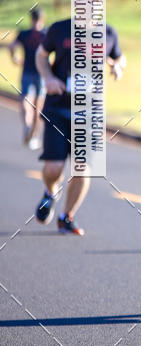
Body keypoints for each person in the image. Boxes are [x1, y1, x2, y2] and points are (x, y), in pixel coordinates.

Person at [34, 15, 126, 235]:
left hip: (90, 113)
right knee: (54, 168)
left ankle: (67, 217)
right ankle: (50, 192)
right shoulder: (59, 28)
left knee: (82, 169)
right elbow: (41, 55)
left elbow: (119, 58)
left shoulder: (108, 33)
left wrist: (118, 67)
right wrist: (48, 78)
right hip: (58, 108)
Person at [7, 8, 46, 148]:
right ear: (42, 19)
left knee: (26, 100)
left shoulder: (24, 34)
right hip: (42, 73)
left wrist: (15, 59)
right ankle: (34, 134)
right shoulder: (46, 34)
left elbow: (11, 46)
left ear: (31, 19)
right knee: (38, 106)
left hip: (29, 71)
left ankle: (28, 126)